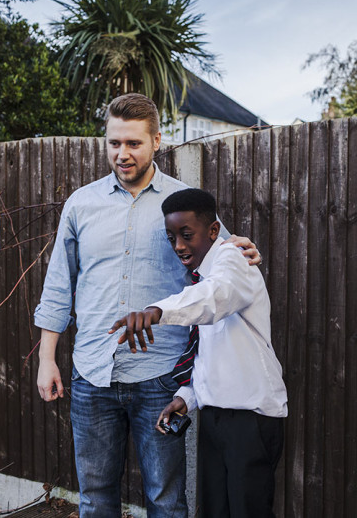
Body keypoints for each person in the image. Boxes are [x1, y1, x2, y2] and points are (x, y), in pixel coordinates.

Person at [35, 93, 261, 518]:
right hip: (92, 373)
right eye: (114, 143)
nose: (122, 154)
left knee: (165, 499)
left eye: (134, 143)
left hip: (159, 376)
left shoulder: (182, 204)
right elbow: (58, 287)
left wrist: (245, 250)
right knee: (94, 497)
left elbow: (224, 260)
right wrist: (47, 359)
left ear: (157, 140)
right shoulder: (80, 204)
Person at [110, 188, 288, 518]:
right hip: (216, 417)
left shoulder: (233, 261)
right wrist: (188, 396)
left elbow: (214, 299)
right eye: (171, 236)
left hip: (250, 420)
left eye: (186, 235)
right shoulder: (204, 274)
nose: (178, 245)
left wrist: (156, 311)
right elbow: (210, 346)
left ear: (213, 230)